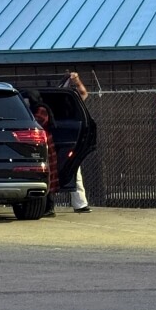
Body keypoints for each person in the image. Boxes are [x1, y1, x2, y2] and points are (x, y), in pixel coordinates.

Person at [24, 90, 59, 217]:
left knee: (49, 176)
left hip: (45, 146)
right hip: (39, 145)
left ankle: (50, 207)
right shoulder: (34, 110)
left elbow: (37, 124)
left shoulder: (41, 110)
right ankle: (45, 207)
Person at [64, 72, 92, 213]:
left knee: (74, 171)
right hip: (68, 142)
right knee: (74, 171)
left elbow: (83, 93)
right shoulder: (71, 107)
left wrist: (76, 81)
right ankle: (80, 204)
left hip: (65, 142)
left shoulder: (69, 105)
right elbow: (83, 93)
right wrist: (77, 81)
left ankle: (80, 203)